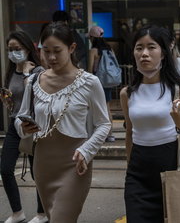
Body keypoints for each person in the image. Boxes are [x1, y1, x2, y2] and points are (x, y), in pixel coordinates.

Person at [15, 22, 111, 222]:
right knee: (53, 216)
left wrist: (87, 150)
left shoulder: (89, 82)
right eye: (46, 51)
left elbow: (104, 124)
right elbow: (20, 117)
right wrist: (23, 127)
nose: (51, 57)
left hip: (75, 163)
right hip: (43, 164)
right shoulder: (34, 81)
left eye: (57, 51)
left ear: (72, 48)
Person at [120, 25, 180, 222]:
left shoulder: (178, 91)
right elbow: (130, 133)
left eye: (151, 47)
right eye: (139, 48)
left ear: (163, 53)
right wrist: (130, 167)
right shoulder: (127, 93)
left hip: (172, 167)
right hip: (138, 173)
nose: (144, 53)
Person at [0, 31, 47, 223]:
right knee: (5, 168)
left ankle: (42, 213)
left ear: (28, 49)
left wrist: (27, 73)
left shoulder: (38, 72)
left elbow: (38, 95)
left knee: (38, 172)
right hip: (14, 124)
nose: (13, 53)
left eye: (17, 49)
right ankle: (18, 213)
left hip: (31, 125)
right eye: (10, 50)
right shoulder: (11, 72)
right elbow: (15, 100)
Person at [87, 26, 116, 142]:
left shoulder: (93, 51)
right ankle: (110, 133)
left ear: (92, 37)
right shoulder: (109, 49)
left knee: (100, 108)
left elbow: (90, 69)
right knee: (107, 107)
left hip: (97, 82)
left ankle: (103, 133)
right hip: (108, 81)